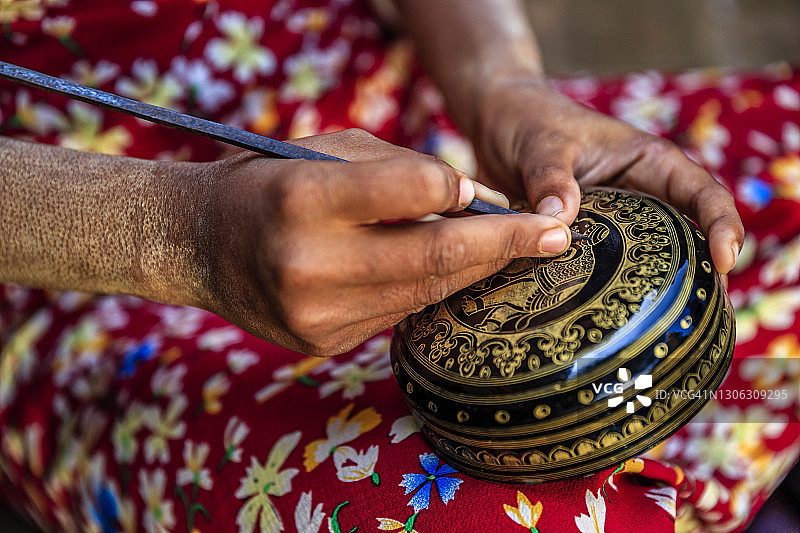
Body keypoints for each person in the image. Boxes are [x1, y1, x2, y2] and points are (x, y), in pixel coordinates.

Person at [1, 0, 795, 532]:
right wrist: (186, 235)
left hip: (417, 138)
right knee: (490, 510)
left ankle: (717, 442)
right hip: (95, 272)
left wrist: (500, 87)